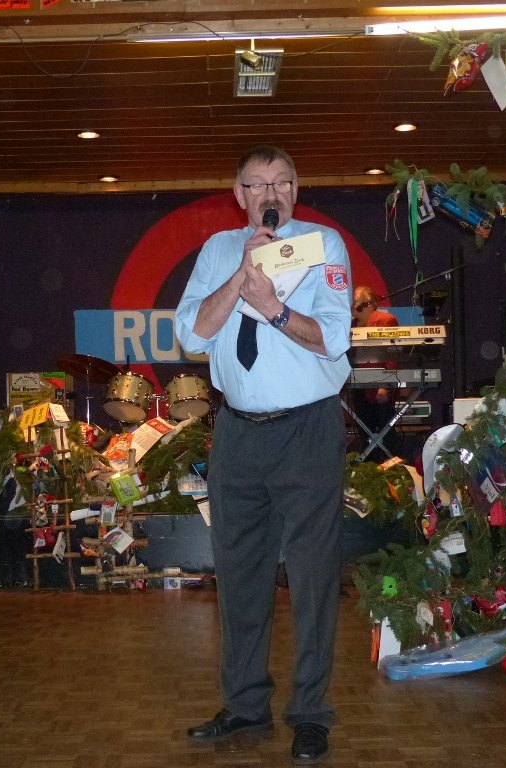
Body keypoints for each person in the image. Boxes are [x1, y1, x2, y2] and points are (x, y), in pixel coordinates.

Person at [175, 145, 352, 765]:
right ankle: (246, 704)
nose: (269, 194)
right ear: (239, 195)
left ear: (295, 190)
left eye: (281, 183)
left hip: (306, 430)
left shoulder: (323, 245)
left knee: (310, 579)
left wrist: (274, 308)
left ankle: (310, 713)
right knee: (241, 578)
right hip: (238, 435)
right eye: (257, 185)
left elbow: (334, 337)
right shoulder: (218, 250)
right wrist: (242, 277)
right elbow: (190, 333)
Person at [349, 286, 402, 459]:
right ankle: (370, 466)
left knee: (385, 431)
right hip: (358, 387)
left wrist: (385, 385)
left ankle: (390, 466)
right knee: (365, 431)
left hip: (378, 388)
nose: (351, 305)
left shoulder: (385, 321)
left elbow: (391, 355)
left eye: (355, 302)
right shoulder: (351, 325)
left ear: (366, 304)